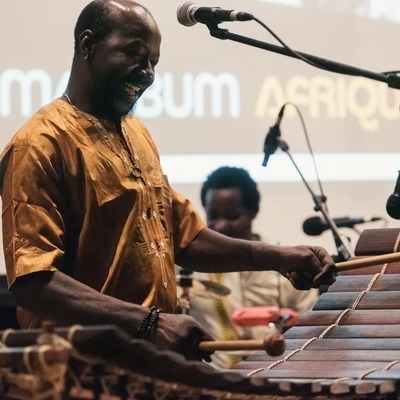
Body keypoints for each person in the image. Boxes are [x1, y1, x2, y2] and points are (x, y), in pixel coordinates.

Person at [0, 0, 335, 363]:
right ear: (88, 45)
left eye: (153, 63)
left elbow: (185, 239)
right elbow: (34, 284)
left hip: (147, 364)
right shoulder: (38, 145)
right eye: (134, 54)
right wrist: (150, 322)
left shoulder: (137, 134)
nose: (146, 72)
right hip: (82, 371)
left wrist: (282, 258)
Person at [187, 166, 319, 368]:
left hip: (278, 378)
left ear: (253, 211)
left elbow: (310, 332)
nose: (221, 226)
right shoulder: (190, 271)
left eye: (232, 216)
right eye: (213, 216)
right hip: (214, 383)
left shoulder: (287, 264)